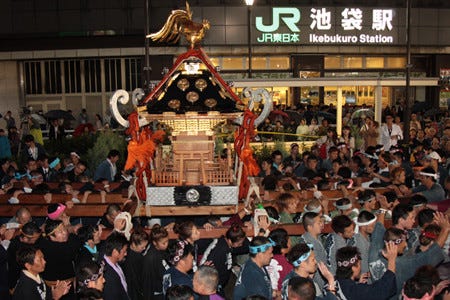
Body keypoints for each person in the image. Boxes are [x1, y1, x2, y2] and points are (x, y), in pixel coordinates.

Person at [200, 224, 246, 295]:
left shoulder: (226, 244)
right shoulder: (219, 251)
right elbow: (206, 271)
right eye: (239, 243)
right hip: (212, 286)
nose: (241, 245)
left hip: (220, 283)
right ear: (230, 241)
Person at [142, 224, 170, 300]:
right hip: (156, 294)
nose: (166, 245)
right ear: (154, 242)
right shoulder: (151, 257)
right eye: (163, 243)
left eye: (167, 241)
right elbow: (147, 281)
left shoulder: (161, 251)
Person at [121, 229, 148, 300]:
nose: (144, 248)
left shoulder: (127, 251)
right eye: (142, 247)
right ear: (133, 244)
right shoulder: (132, 258)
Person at [103, 232, 130, 300]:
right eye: (124, 251)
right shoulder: (107, 273)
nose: (126, 254)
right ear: (115, 252)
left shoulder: (115, 264)